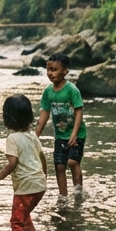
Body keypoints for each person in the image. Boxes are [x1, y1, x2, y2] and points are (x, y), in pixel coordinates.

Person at [0, 94, 48, 231]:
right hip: (39, 185)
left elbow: (12, 163)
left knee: (16, 222)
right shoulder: (33, 136)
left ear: (7, 118)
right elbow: (42, 158)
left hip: (25, 187)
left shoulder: (13, 138)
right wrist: (43, 177)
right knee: (25, 217)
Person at [36, 52, 86, 196]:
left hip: (77, 133)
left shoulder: (71, 90)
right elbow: (45, 113)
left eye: (54, 70)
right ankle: (63, 195)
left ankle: (78, 190)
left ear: (65, 71)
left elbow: (78, 112)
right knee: (59, 165)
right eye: (48, 70)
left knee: (72, 161)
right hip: (60, 135)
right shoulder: (48, 92)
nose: (50, 73)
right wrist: (36, 135)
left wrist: (74, 134)